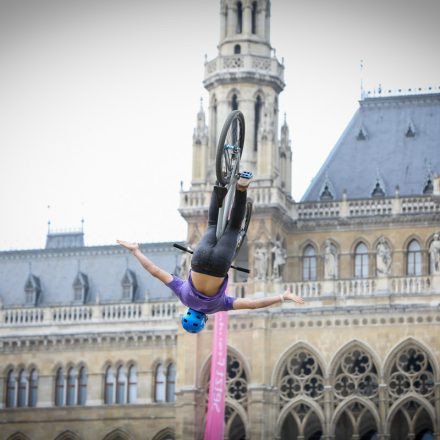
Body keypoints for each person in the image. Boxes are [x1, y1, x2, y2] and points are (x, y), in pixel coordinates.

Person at [118, 172, 305, 333]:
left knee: (233, 228)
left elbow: (253, 304)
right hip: (199, 259)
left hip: (220, 264)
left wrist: (282, 296)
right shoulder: (183, 295)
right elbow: (155, 271)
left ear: (203, 319)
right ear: (187, 312)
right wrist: (136, 251)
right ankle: (220, 183)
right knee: (213, 223)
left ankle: (241, 187)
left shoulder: (217, 306)